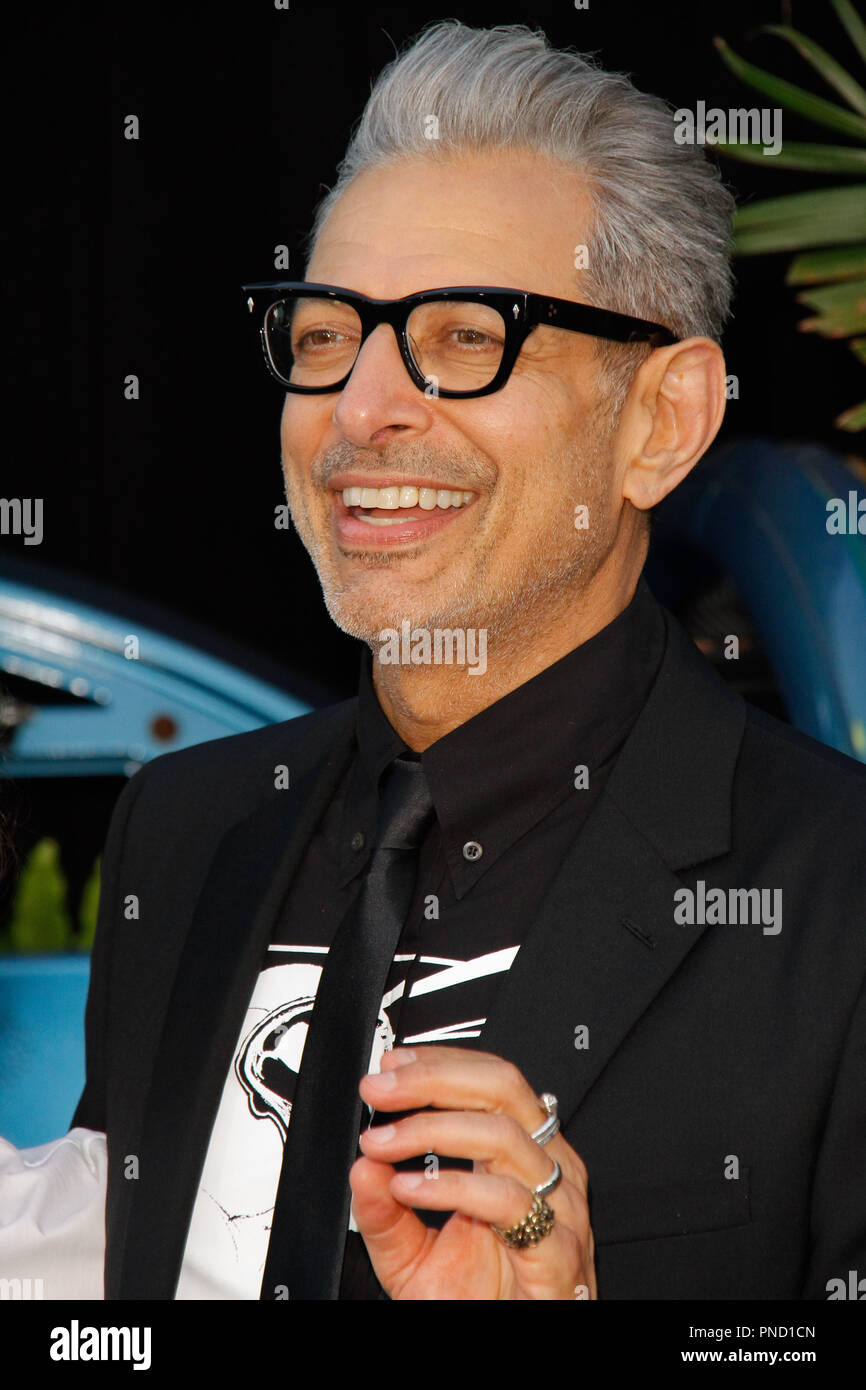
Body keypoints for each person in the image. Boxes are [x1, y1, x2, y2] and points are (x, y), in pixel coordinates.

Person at [71, 20, 866, 1300]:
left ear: (658, 423)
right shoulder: (186, 827)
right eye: (326, 337)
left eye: (460, 338)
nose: (363, 409)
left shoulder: (834, 902)